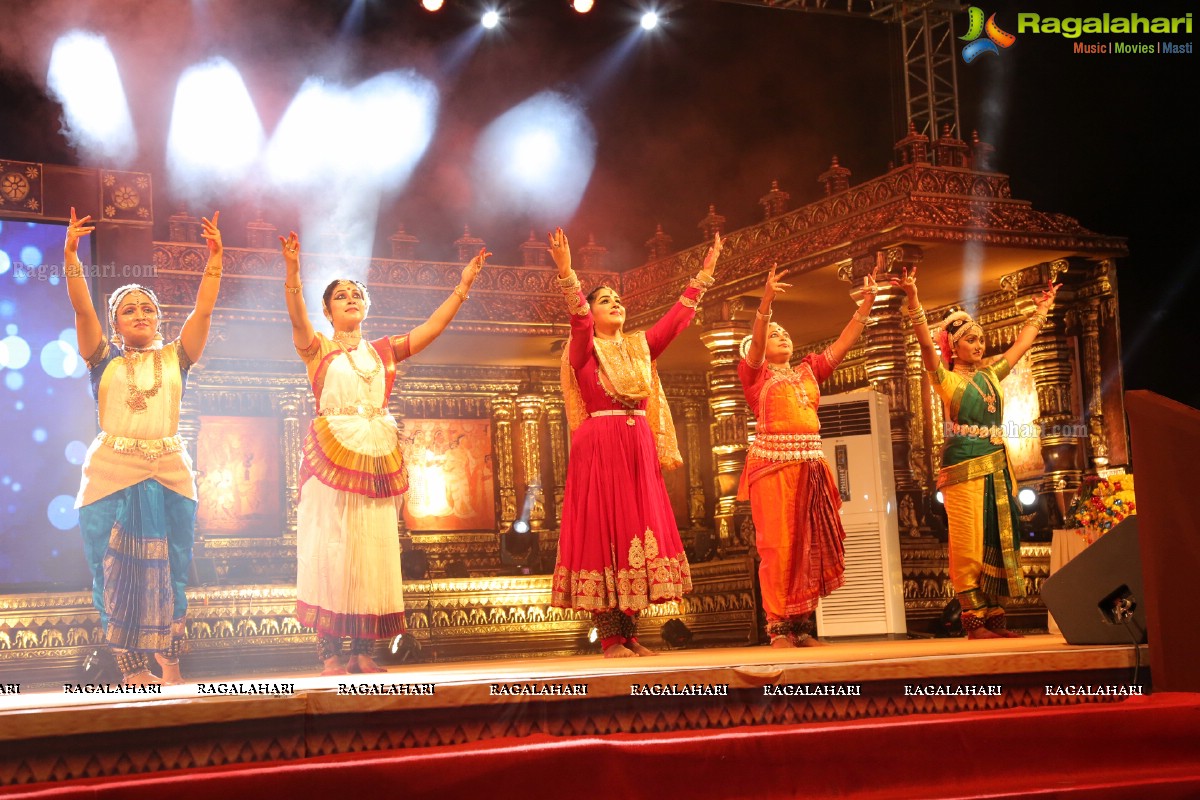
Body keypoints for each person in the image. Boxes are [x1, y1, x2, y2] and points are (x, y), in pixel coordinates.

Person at [282, 230, 488, 674]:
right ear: (328, 309)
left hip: (376, 456)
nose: (350, 298)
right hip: (330, 456)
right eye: (341, 295)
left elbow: (432, 329)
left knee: (370, 549)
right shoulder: (317, 349)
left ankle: (362, 652)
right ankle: (330, 655)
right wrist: (293, 273)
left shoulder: (382, 352)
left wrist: (463, 287)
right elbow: (297, 319)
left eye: (357, 294)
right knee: (331, 549)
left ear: (367, 306)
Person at [548, 227, 723, 658]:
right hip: (601, 447)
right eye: (605, 299)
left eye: (618, 298)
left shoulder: (640, 348)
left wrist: (703, 275)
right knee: (605, 532)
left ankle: (628, 633)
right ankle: (609, 638)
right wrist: (568, 273)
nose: (616, 303)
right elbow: (579, 320)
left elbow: (675, 322)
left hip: (637, 446)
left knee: (637, 533)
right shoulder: (583, 350)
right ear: (591, 313)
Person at [68, 207, 224, 685]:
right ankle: (132, 667)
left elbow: (203, 311)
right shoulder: (102, 357)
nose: (140, 313)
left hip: (168, 470)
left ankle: (170, 664)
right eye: (129, 309)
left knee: (172, 569)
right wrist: (72, 255)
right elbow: (82, 310)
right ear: (116, 322)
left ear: (160, 317)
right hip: (112, 472)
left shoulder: (178, 356)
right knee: (114, 571)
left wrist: (215, 259)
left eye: (148, 307)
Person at [894, 264, 1058, 638]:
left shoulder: (990, 375)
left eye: (981, 339)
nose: (979, 345)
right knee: (967, 540)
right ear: (953, 346)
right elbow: (923, 343)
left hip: (997, 465)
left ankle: (996, 617)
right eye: (970, 340)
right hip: (963, 465)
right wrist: (914, 297)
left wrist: (1042, 309)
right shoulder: (945, 378)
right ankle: (973, 620)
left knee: (998, 537)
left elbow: (1021, 345)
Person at [737, 264, 879, 647]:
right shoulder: (755, 377)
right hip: (772, 466)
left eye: (785, 333)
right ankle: (779, 627)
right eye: (773, 335)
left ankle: (800, 626)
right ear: (759, 348)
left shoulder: (808, 371)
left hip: (811, 467)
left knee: (808, 545)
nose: (782, 337)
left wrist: (864, 309)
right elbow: (756, 341)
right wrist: (766, 303)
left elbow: (842, 346)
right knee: (778, 548)